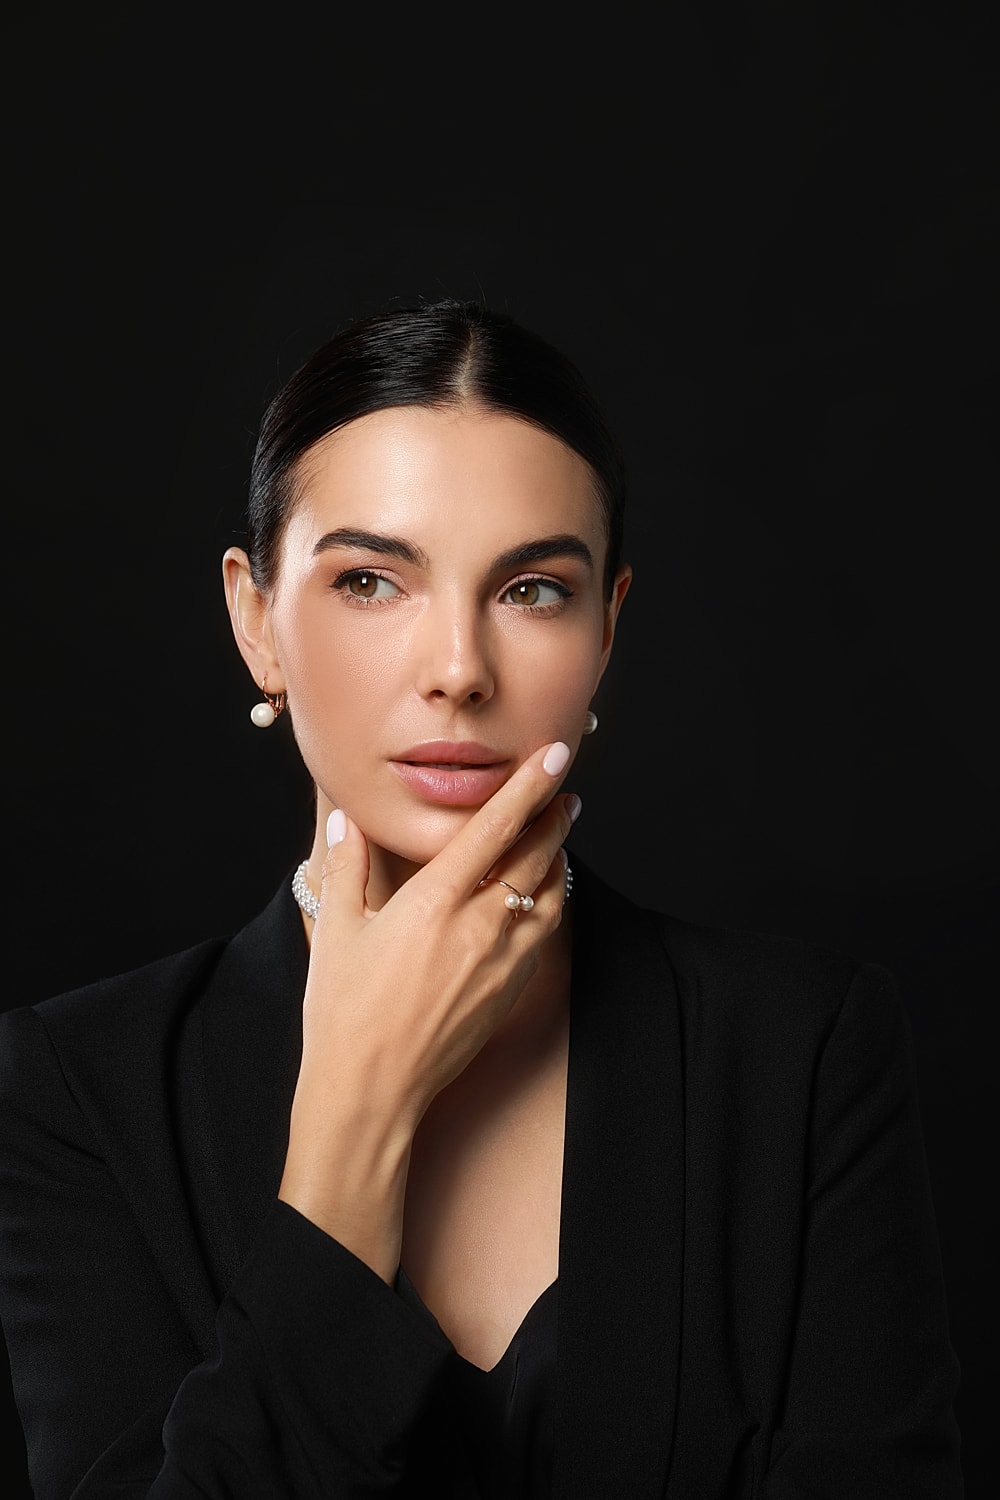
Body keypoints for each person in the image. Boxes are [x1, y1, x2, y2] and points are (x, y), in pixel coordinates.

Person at [0, 300, 961, 1498]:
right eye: (369, 581)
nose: (458, 668)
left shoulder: (801, 1050)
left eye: (531, 591)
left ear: (608, 627)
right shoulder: (80, 1088)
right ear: (257, 622)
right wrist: (361, 1107)